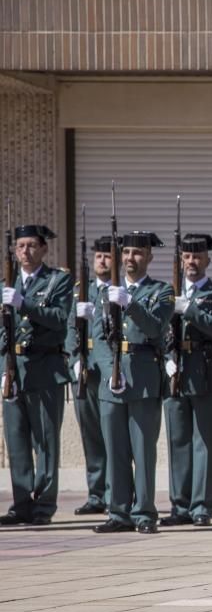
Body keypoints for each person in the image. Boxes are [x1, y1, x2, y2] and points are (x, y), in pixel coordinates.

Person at [93, 231, 174, 535]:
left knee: (143, 450)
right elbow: (98, 340)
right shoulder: (105, 294)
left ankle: (144, 512)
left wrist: (130, 304)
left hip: (143, 376)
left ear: (149, 257)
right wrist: (107, 371)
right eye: (126, 253)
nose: (130, 258)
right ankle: (119, 512)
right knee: (114, 450)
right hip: (111, 380)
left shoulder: (162, 291)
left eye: (138, 253)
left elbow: (156, 328)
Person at [0, 225, 73, 526]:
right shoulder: (7, 282)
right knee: (15, 440)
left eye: (31, 246)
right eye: (20, 246)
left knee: (45, 442)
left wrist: (23, 304)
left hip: (44, 368)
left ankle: (43, 505)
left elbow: (58, 320)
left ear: (44, 249)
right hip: (13, 369)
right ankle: (21, 504)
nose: (25, 252)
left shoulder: (58, 280)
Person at [161, 233, 212, 528]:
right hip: (176, 372)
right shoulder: (166, 292)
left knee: (204, 442)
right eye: (187, 257)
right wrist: (166, 357)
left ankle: (201, 506)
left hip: (205, 370)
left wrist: (190, 309)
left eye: (197, 257)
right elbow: (153, 329)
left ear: (207, 261)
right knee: (178, 441)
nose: (191, 262)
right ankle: (180, 504)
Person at [66, 236, 114, 516]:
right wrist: (74, 359)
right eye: (98, 256)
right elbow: (68, 329)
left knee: (113, 435)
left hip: (108, 367)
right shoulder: (78, 291)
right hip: (85, 369)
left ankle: (116, 490)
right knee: (91, 435)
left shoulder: (120, 291)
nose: (102, 261)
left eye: (107, 256)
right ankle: (96, 493)